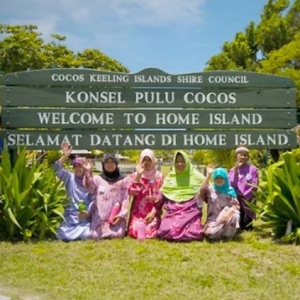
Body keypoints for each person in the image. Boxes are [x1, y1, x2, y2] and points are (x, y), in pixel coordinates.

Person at [157, 151, 205, 242]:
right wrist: (157, 198)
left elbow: (208, 188)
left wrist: (202, 193)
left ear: (187, 162)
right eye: (177, 162)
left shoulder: (196, 176)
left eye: (182, 161)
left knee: (193, 232)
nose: (180, 164)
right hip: (173, 209)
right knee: (165, 230)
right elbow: (163, 191)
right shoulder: (171, 176)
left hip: (190, 209)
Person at [53, 142, 93, 241]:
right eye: (76, 166)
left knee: (87, 234)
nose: (78, 169)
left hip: (84, 217)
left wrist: (88, 213)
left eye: (80, 166)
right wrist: (65, 156)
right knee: (60, 234)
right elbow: (56, 168)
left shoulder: (89, 180)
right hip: (70, 216)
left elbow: (93, 199)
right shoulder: (69, 177)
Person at [85, 153, 129, 239]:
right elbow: (89, 189)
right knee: (95, 235)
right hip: (99, 218)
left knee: (118, 234)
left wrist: (121, 215)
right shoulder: (97, 179)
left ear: (116, 164)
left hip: (116, 218)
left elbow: (125, 199)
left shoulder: (123, 180)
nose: (110, 165)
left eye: (112, 162)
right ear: (103, 164)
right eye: (107, 162)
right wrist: (88, 172)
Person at [127, 149, 164, 239]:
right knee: (135, 231)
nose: (146, 162)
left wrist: (153, 213)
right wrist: (139, 175)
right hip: (137, 214)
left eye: (149, 160)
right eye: (144, 159)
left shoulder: (159, 177)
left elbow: (161, 197)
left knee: (152, 232)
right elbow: (132, 193)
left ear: (153, 161)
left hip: (153, 212)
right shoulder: (134, 176)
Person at [200, 165, 240, 240]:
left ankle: (227, 235)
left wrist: (228, 213)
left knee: (235, 215)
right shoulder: (211, 190)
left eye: (221, 178)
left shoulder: (230, 190)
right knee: (211, 234)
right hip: (213, 219)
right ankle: (216, 232)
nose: (219, 180)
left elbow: (236, 205)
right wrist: (208, 175)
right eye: (217, 178)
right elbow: (202, 190)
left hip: (226, 217)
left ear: (225, 178)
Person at [228, 146, 259, 231]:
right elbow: (231, 184)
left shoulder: (253, 169)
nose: (244, 157)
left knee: (248, 216)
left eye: (246, 155)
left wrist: (246, 194)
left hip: (249, 196)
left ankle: (248, 224)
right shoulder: (232, 170)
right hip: (237, 196)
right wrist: (236, 172)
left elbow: (255, 183)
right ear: (236, 156)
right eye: (241, 155)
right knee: (239, 214)